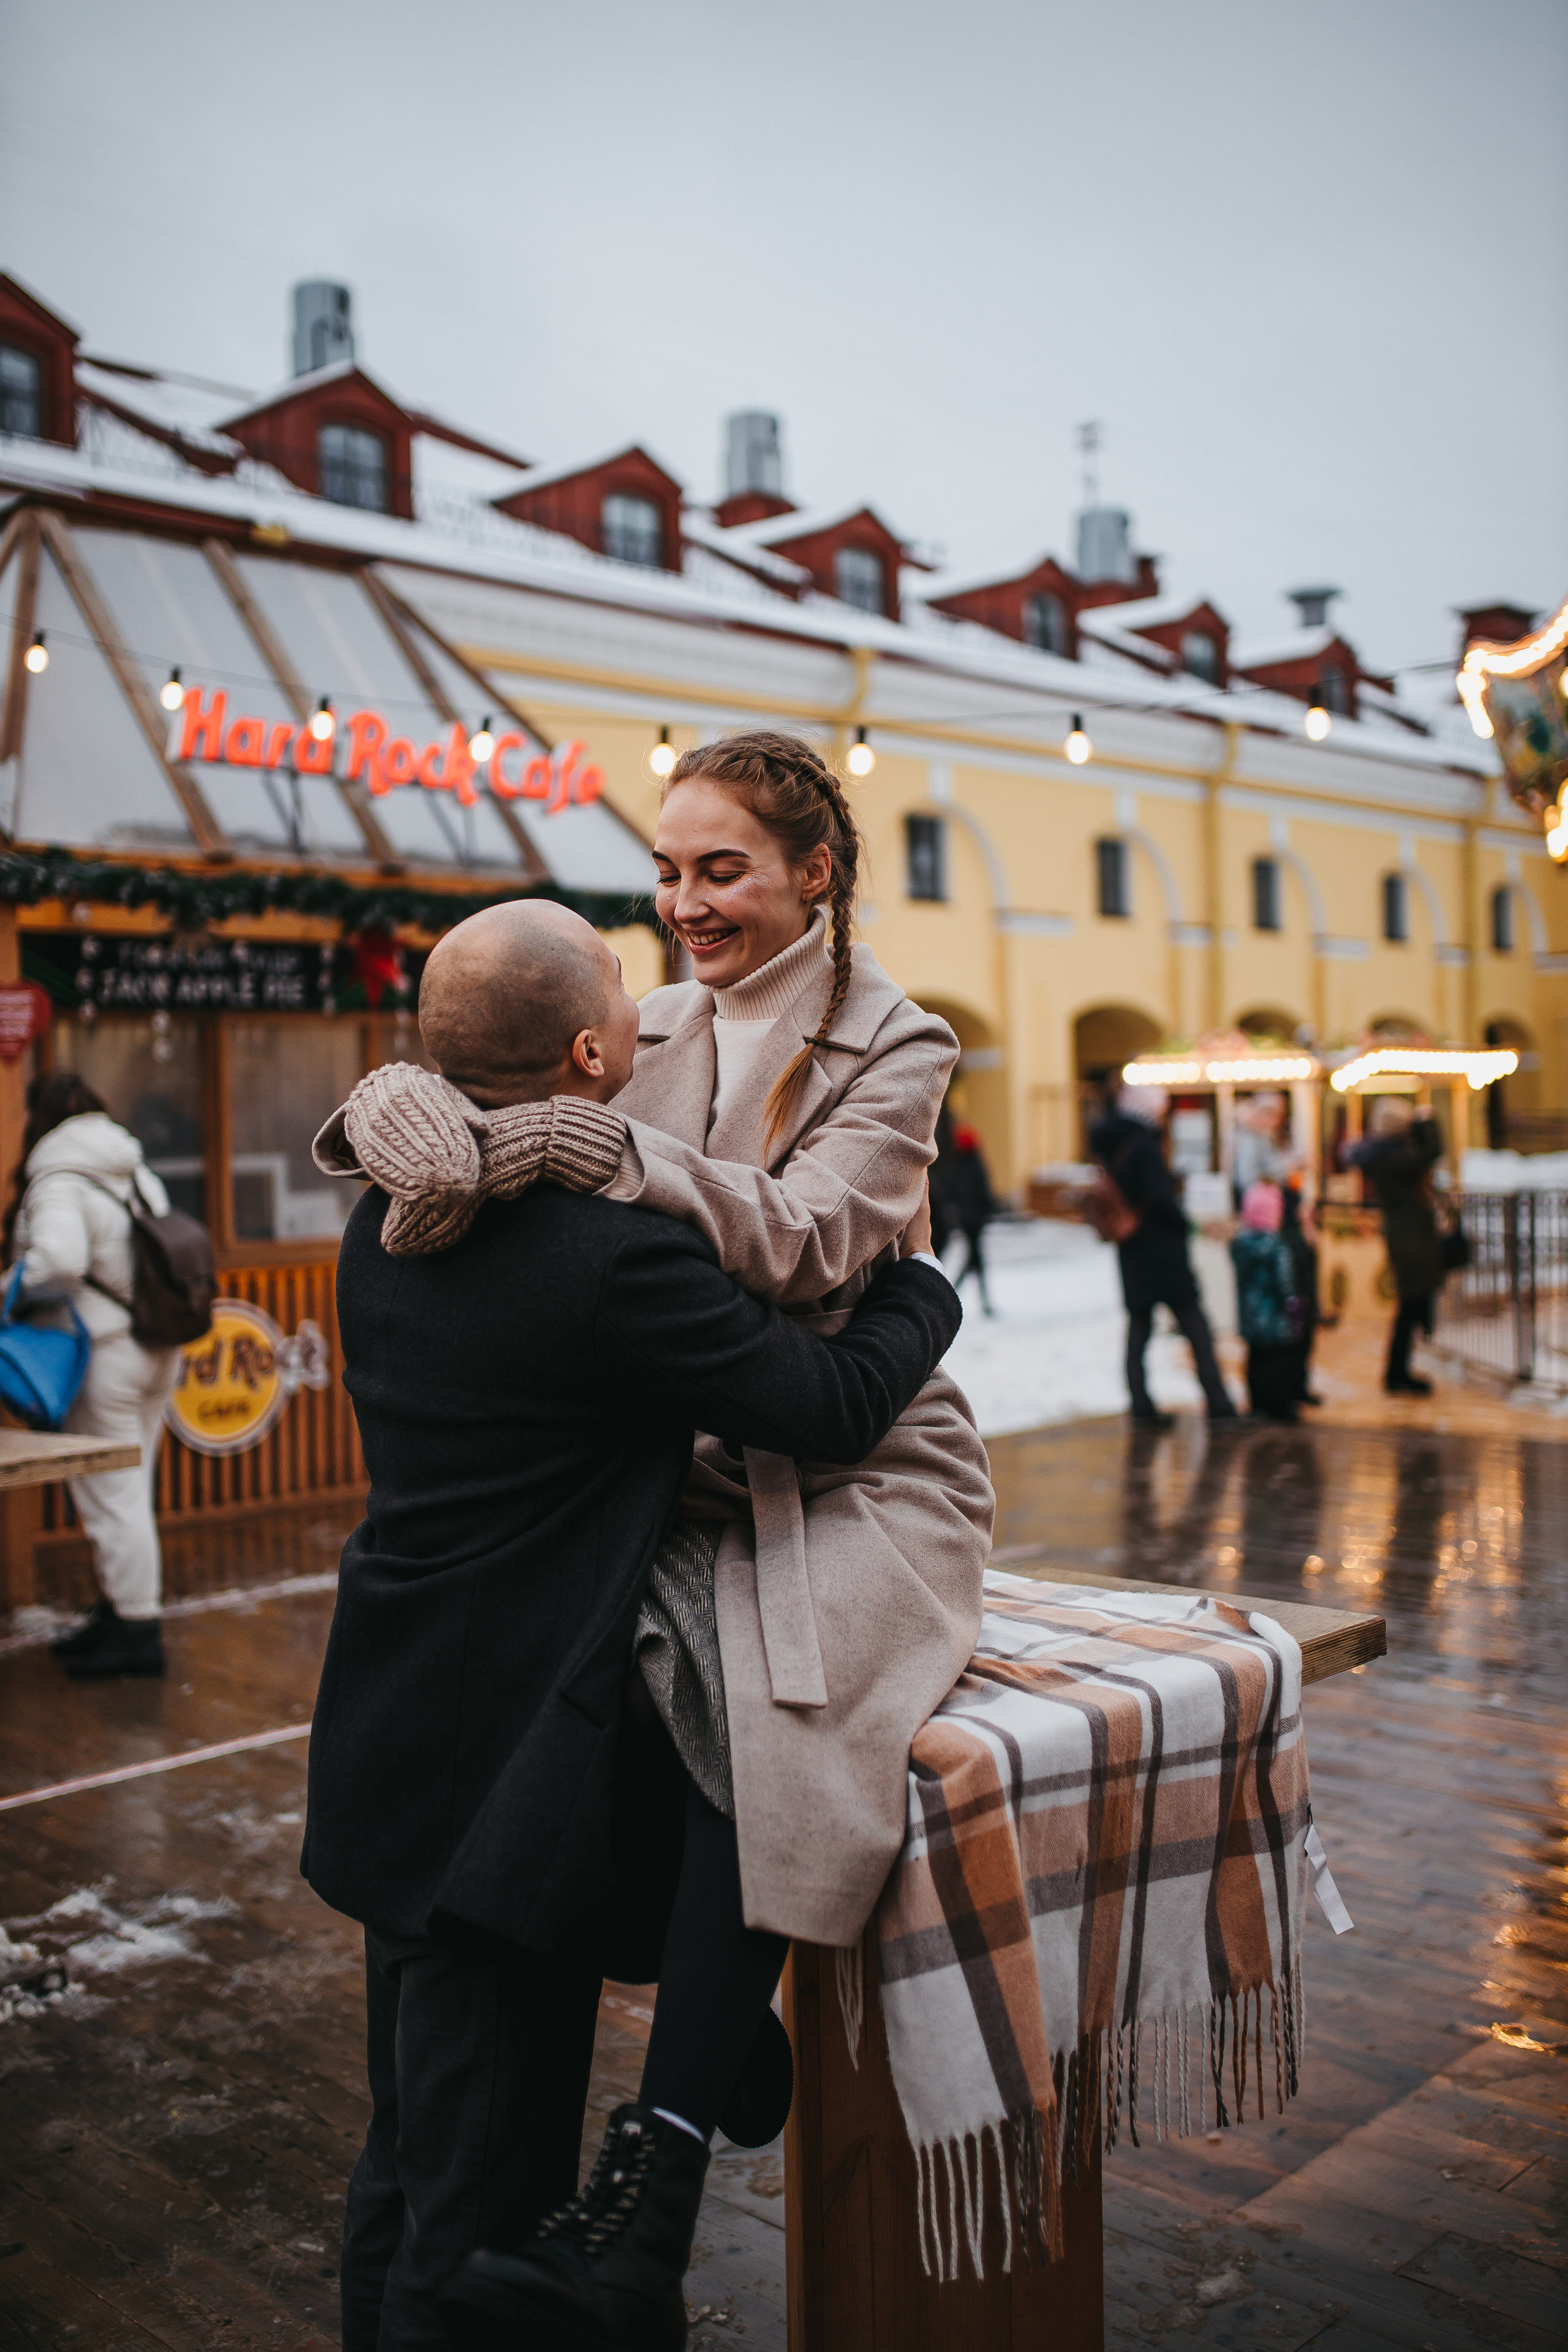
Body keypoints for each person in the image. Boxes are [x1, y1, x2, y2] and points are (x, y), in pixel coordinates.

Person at [306, 900, 961, 2352]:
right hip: (504, 1791)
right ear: (595, 1055)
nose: (650, 989)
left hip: (391, 1741)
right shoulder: (607, 1261)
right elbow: (831, 1406)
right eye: (622, 988)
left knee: (405, 2159)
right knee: (478, 2218)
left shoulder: (383, 1218)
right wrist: (918, 1286)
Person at [3, 1071, 181, 1679]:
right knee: (132, 1490)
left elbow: (59, 1259)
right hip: (157, 1341)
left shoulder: (58, 1178)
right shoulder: (133, 1168)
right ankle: (119, 1611)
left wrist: (8, 1290)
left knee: (114, 1500)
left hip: (102, 1351)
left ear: (39, 1120)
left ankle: (136, 1630)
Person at [1090, 1082, 1238, 1425]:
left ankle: (1141, 1404)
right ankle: (1218, 1403)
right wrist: (1183, 1221)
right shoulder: (1144, 1146)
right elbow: (1160, 1200)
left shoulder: (1115, 1144)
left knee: (1139, 1328)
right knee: (1196, 1326)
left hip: (1133, 1251)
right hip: (1162, 1253)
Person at [1350, 1095, 1444, 1395]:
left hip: (1408, 1235)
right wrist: (1427, 1121)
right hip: (1409, 1238)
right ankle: (1396, 1373)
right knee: (1409, 1306)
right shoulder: (1391, 1158)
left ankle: (1399, 1371)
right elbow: (1432, 1152)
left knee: (1410, 1306)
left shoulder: (1386, 1155)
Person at [1230, 1182, 1302, 1421]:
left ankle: (1258, 1403)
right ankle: (1279, 1406)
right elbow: (1285, 1283)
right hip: (1274, 1318)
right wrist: (1293, 1306)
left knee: (1256, 1360)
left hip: (1251, 1317)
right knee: (1277, 1362)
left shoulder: (1241, 1245)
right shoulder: (1277, 1247)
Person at [939, 1115, 998, 1314]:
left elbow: (954, 1193)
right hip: (975, 1220)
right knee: (975, 1260)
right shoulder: (974, 1165)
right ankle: (952, 1299)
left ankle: (953, 1299)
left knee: (973, 1260)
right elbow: (983, 1192)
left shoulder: (956, 1167)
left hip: (968, 1220)